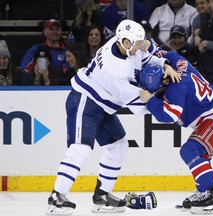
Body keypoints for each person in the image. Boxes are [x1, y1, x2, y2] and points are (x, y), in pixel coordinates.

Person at [46, 19, 181, 215]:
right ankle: (57, 197)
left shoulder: (122, 44)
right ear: (125, 42)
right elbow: (141, 105)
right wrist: (165, 106)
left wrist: (165, 64)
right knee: (80, 148)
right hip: (85, 100)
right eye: (137, 43)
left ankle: (102, 196)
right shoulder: (117, 71)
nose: (140, 46)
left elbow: (146, 52)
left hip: (103, 106)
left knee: (119, 145)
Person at [139, 49, 213, 214]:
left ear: (165, 83)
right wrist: (161, 60)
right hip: (212, 117)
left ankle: (211, 194)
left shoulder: (175, 90)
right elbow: (170, 54)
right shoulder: (179, 64)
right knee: (200, 156)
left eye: (158, 91)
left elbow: (168, 115)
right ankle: (204, 192)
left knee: (190, 150)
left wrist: (150, 101)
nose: (159, 95)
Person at [19, 19, 69, 85]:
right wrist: (35, 76)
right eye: (51, 29)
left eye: (57, 29)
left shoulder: (65, 51)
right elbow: (24, 69)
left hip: (58, 87)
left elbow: (67, 72)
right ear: (45, 31)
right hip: (36, 85)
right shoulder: (36, 49)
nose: (54, 32)